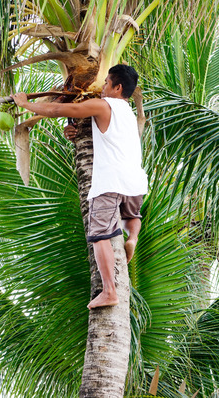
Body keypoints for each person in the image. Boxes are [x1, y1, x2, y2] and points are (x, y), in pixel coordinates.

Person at [12, 64, 148, 310]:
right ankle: (133, 238)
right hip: (135, 180)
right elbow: (101, 132)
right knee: (131, 216)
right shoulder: (127, 113)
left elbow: (59, 108)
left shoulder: (104, 105)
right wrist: (74, 129)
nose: (103, 87)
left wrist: (25, 104)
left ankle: (109, 290)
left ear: (118, 88)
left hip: (109, 182)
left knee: (99, 236)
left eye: (107, 83)